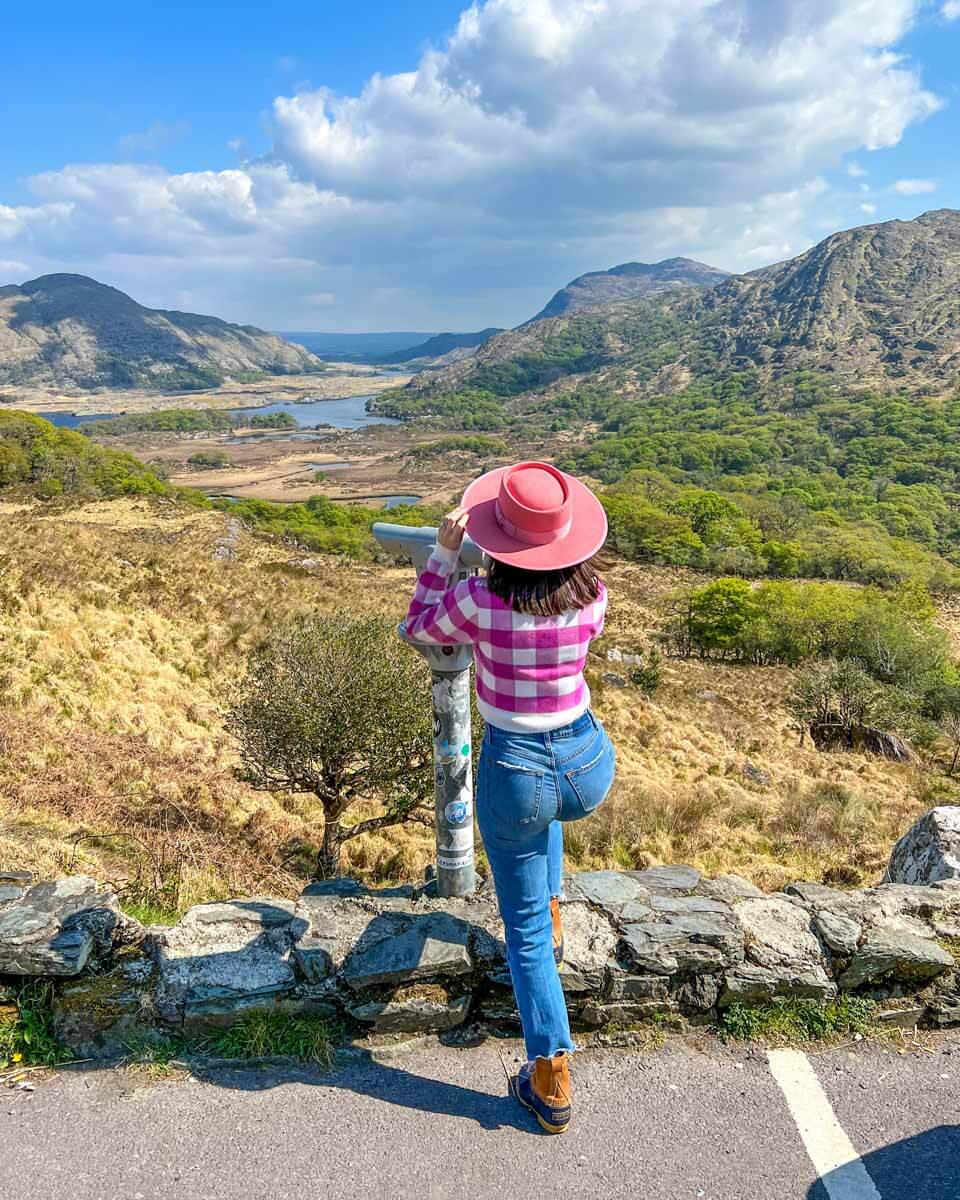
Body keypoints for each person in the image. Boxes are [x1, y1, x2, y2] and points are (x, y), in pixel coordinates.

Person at [404, 460, 616, 1134]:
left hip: (517, 767)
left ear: (499, 538)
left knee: (519, 933)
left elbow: (419, 628)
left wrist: (441, 553)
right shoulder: (596, 595)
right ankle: (554, 907)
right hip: (586, 763)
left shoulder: (479, 602)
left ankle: (550, 1076)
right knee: (543, 824)